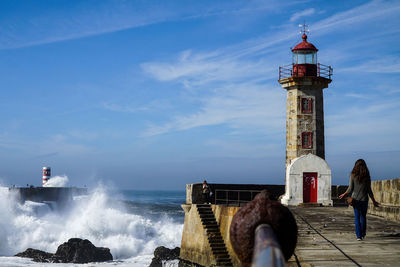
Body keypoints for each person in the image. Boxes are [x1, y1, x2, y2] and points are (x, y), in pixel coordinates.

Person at [339, 159, 379, 241]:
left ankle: (358, 236)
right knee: (363, 217)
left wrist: (344, 194)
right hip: (364, 199)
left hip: (355, 200)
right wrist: (374, 201)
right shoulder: (367, 177)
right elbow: (369, 191)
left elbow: (350, 188)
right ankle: (363, 234)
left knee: (357, 217)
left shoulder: (353, 175)